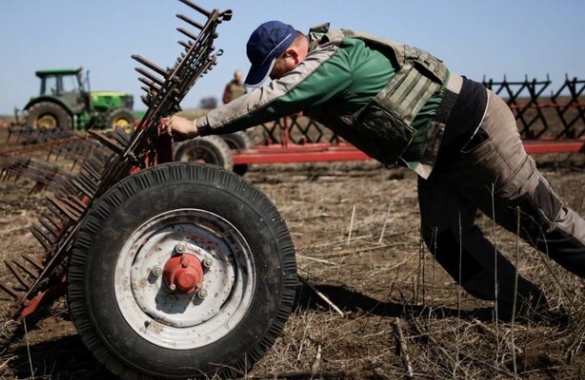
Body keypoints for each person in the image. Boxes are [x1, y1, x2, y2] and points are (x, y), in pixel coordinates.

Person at [163, 20, 585, 319]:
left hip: (475, 131)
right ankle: (523, 305)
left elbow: (273, 100)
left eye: (275, 71)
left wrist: (197, 124)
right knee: (445, 235)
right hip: (439, 153)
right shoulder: (323, 59)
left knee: (540, 219)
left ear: (292, 53)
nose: (276, 81)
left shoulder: (332, 62)